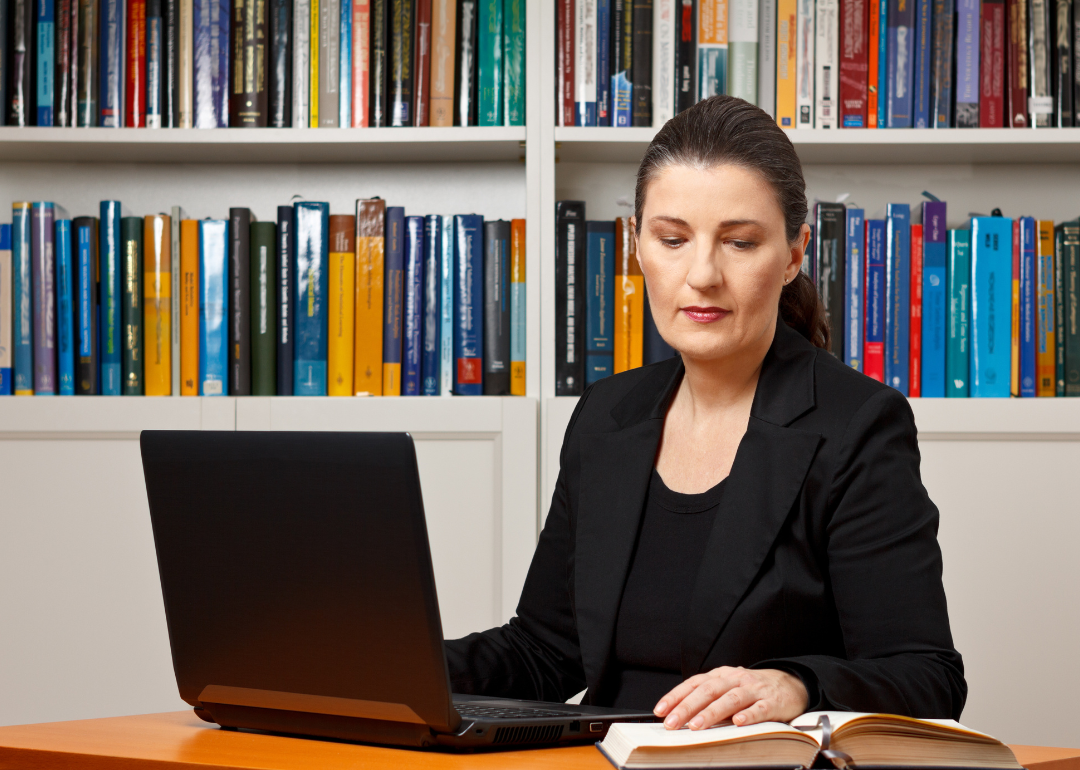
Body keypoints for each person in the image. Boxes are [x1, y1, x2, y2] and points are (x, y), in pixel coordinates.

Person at [444, 94, 966, 732]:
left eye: (740, 243)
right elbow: (546, 652)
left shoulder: (856, 425)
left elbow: (927, 676)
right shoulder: (607, 415)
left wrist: (797, 685)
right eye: (672, 239)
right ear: (635, 245)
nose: (702, 275)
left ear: (795, 254)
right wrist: (387, 662)